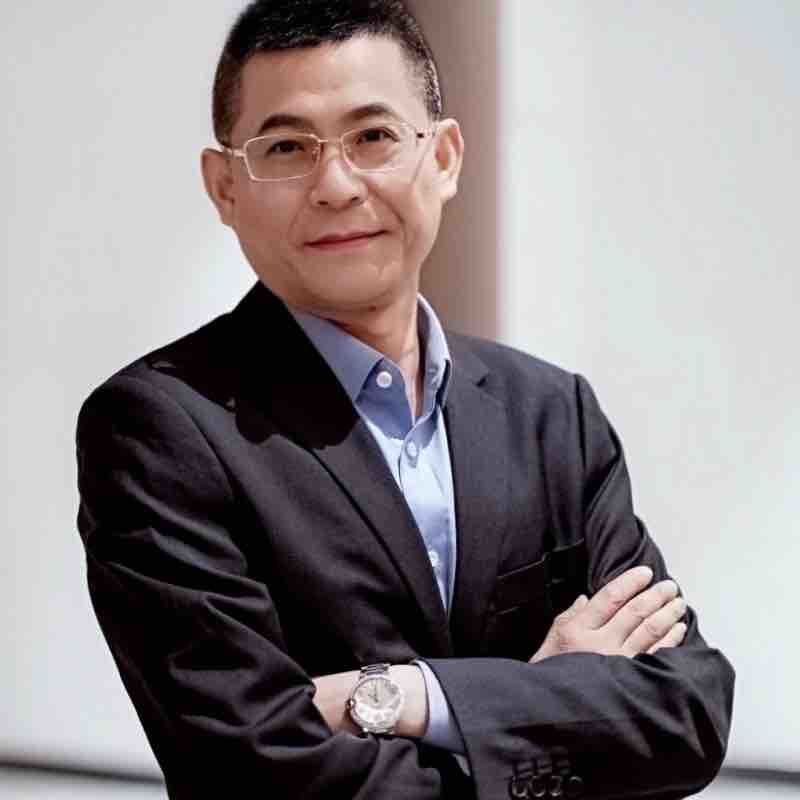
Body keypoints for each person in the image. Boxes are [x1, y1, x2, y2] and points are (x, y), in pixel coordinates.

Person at [75, 2, 734, 798]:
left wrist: (401, 696)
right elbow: (249, 768)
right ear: (224, 187)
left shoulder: (550, 413)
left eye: (373, 136)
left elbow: (686, 711)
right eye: (286, 148)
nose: (335, 185)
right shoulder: (159, 427)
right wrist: (545, 699)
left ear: (444, 157)